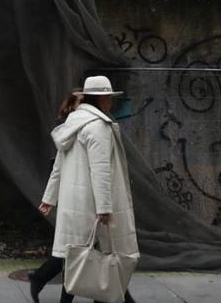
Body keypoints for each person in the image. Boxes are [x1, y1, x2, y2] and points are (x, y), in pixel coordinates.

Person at [30, 75, 138, 303]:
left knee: (78, 259)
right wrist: (105, 209)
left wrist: (49, 197)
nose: (110, 101)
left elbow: (58, 166)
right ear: (100, 98)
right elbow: (101, 172)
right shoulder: (99, 127)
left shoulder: (72, 124)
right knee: (104, 257)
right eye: (108, 96)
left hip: (73, 205)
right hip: (93, 206)